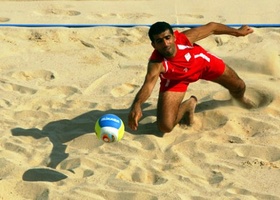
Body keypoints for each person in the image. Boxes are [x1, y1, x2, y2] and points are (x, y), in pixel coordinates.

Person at [128, 21, 255, 133]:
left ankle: (240, 100)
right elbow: (148, 85)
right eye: (159, 41)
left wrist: (237, 32)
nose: (165, 44)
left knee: (239, 86)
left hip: (203, 65)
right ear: (154, 45)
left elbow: (212, 27)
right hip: (176, 80)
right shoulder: (156, 63)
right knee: (165, 126)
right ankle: (189, 104)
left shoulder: (184, 38)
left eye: (167, 38)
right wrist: (137, 104)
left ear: (174, 37)